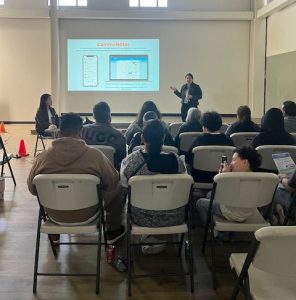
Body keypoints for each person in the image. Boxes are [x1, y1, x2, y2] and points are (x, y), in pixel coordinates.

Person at [28, 113, 125, 244]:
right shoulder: (96, 156)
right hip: (88, 213)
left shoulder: (41, 158)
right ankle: (113, 230)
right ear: (81, 132)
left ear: (59, 132)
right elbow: (112, 182)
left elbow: (32, 189)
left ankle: (54, 233)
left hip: (55, 215)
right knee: (118, 186)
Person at [121, 119, 186, 227]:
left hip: (141, 217)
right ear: (163, 138)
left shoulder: (130, 162)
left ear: (142, 138)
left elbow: (124, 188)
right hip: (174, 217)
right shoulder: (177, 161)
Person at [196, 146, 262, 225]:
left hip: (233, 213)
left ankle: (214, 232)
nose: (231, 163)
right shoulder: (258, 178)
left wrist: (223, 176)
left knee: (200, 203)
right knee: (209, 194)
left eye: (233, 160)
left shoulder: (233, 179)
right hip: (247, 212)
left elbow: (219, 192)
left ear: (245, 162)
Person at [185, 111, 234, 182]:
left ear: (204, 126)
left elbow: (187, 159)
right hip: (221, 177)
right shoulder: (228, 140)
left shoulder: (199, 140)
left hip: (199, 178)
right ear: (219, 125)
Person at [81, 101, 126, 171]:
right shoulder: (119, 136)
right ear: (109, 116)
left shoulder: (81, 131)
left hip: (85, 172)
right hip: (110, 175)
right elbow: (122, 161)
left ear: (94, 115)